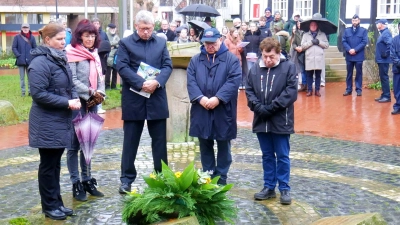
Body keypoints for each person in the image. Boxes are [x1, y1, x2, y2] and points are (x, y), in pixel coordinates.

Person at [116, 10, 172, 193]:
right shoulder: (125, 43)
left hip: (156, 98)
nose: (146, 32)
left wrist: (156, 82)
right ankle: (126, 179)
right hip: (134, 99)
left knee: (159, 142)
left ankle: (162, 177)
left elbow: (167, 65)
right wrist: (141, 84)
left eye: (149, 28)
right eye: (143, 29)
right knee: (130, 141)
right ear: (136, 26)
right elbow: (122, 67)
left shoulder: (161, 42)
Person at [28, 23, 80, 220]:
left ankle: (57, 202)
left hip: (59, 119)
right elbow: (38, 94)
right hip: (46, 122)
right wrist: (67, 102)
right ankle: (49, 206)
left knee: (56, 164)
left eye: (64, 38)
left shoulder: (59, 59)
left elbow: (70, 84)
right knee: (48, 165)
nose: (63, 42)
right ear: (47, 40)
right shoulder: (39, 62)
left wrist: (73, 98)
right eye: (59, 39)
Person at [187, 28, 241, 185]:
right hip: (201, 108)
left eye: (213, 43)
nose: (210, 46)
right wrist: (201, 98)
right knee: (205, 143)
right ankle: (208, 174)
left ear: (220, 40)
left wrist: (218, 98)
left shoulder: (231, 60)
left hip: (223, 109)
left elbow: (233, 80)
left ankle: (222, 176)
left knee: (224, 143)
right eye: (207, 43)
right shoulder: (195, 60)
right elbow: (191, 81)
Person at [246, 37, 297, 205]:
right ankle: (269, 187)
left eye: (271, 57)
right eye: (265, 56)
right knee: (267, 155)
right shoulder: (254, 69)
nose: (267, 60)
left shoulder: (288, 67)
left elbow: (290, 92)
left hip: (281, 119)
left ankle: (284, 188)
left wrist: (272, 107)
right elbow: (249, 90)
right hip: (261, 120)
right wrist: (258, 107)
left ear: (279, 53)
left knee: (282, 155)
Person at [65, 19, 106, 201]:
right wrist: (91, 92)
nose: (90, 38)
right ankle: (76, 183)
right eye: (86, 35)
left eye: (92, 35)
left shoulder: (94, 54)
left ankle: (87, 179)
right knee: (74, 145)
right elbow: (72, 80)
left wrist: (100, 93)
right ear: (79, 36)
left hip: (93, 102)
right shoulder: (71, 53)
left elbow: (100, 77)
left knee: (88, 144)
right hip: (78, 103)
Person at [301, 20, 329, 97]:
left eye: (315, 25)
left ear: (317, 26)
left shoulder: (322, 34)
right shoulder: (305, 35)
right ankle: (309, 90)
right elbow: (303, 46)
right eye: (312, 25)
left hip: (318, 58)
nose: (313, 26)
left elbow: (326, 45)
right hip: (309, 57)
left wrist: (318, 42)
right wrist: (311, 42)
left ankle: (317, 90)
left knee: (318, 75)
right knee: (309, 75)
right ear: (309, 26)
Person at [342, 14, 368, 97]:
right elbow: (344, 41)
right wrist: (349, 49)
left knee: (359, 73)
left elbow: (364, 42)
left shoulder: (363, 31)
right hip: (349, 56)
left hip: (358, 56)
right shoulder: (347, 31)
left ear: (359, 21)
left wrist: (355, 49)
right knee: (349, 73)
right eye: (353, 20)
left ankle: (358, 89)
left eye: (356, 20)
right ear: (351, 21)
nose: (354, 22)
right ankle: (348, 89)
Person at [12, 23, 37, 97]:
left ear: (29, 28)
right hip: (21, 60)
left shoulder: (32, 37)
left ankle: (30, 91)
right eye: (24, 28)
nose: (25, 29)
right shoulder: (17, 37)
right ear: (21, 28)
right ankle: (23, 92)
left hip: (30, 61)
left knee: (30, 78)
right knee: (22, 78)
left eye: (26, 27)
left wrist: (32, 56)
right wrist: (18, 55)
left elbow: (35, 48)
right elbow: (14, 48)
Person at [92, 18, 109, 114]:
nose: (96, 25)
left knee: (100, 82)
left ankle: (98, 105)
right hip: (92, 59)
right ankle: (93, 106)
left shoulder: (103, 34)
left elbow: (107, 44)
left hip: (101, 60)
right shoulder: (90, 33)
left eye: (97, 23)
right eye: (94, 23)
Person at [375, 19, 393, 103]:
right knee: (382, 77)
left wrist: (386, 53)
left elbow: (390, 44)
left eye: (377, 23)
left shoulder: (386, 33)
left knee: (384, 77)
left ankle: (387, 96)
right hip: (381, 60)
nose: (376, 25)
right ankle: (384, 94)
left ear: (381, 24)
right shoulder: (383, 33)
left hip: (384, 60)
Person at [291, 20, 306, 91]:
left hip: (306, 53)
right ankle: (303, 84)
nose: (299, 25)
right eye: (298, 24)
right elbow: (294, 43)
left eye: (300, 23)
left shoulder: (306, 33)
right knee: (302, 69)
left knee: (306, 70)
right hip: (299, 54)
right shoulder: (296, 33)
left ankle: (307, 84)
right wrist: (296, 47)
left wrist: (302, 48)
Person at [106, 23, 121, 90]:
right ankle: (107, 86)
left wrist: (113, 45)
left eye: (114, 28)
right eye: (111, 28)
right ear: (108, 29)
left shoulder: (117, 36)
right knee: (108, 72)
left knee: (115, 72)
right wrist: (115, 44)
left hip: (115, 56)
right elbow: (107, 44)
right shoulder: (106, 35)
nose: (113, 30)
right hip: (108, 56)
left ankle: (114, 86)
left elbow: (120, 44)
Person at [390, 22, 400, 114]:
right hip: (397, 69)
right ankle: (397, 106)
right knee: (397, 89)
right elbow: (392, 54)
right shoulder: (394, 40)